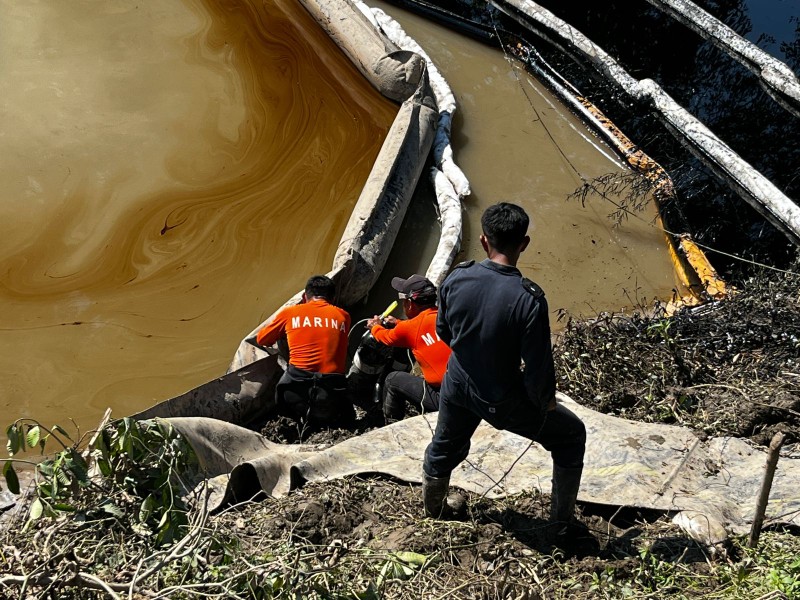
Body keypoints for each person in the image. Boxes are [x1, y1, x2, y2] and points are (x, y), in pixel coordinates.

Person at [422, 202, 586, 534]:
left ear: (484, 241)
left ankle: (434, 510)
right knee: (571, 435)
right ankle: (561, 524)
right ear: (523, 243)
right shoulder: (529, 299)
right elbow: (539, 368)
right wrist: (544, 404)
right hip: (501, 396)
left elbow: (443, 331)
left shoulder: (457, 276)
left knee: (444, 444)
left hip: (457, 383)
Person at [256, 275, 353, 427]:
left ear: (304, 296)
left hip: (293, 394)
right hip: (331, 397)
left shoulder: (290, 313)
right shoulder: (344, 316)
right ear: (333, 298)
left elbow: (261, 340)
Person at [366, 274, 451, 423]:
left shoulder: (410, 328)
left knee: (393, 380)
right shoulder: (448, 315)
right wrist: (399, 322)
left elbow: (385, 337)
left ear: (410, 304)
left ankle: (391, 426)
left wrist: (374, 326)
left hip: (447, 398)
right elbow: (418, 329)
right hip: (472, 389)